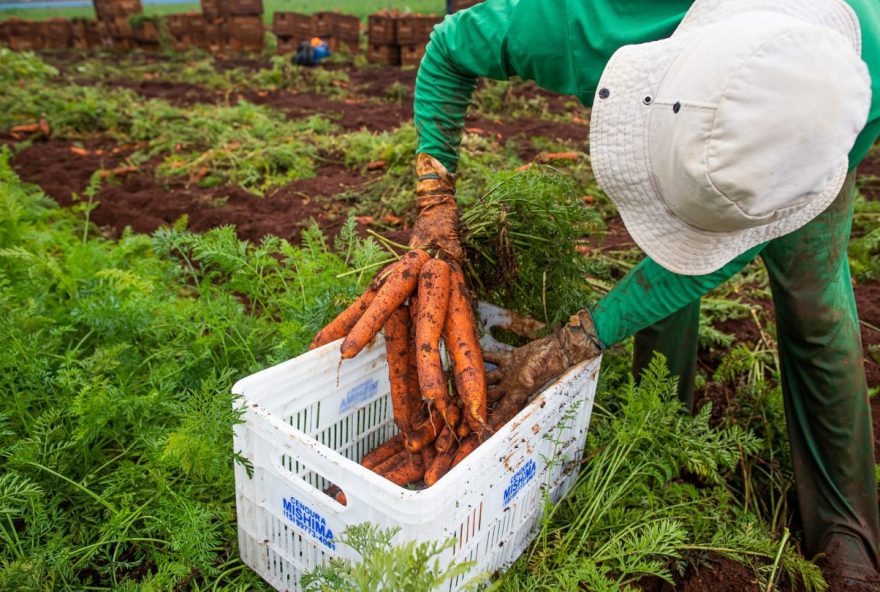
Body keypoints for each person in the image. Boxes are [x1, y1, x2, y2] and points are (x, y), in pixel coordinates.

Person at [403, 0, 880, 588]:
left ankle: (846, 530)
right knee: (673, 252)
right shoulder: (587, 28)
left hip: (811, 142)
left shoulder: (862, 69)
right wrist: (435, 201)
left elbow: (715, 256)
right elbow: (450, 49)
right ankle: (658, 423)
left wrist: (576, 341)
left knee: (816, 305)